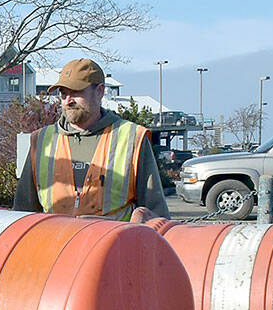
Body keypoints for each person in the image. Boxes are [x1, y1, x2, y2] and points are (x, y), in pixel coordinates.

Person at [13, 58, 169, 220]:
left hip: (113, 244)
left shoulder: (132, 138)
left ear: (100, 91)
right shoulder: (41, 140)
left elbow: (156, 214)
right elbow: (23, 213)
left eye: (76, 92)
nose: (68, 101)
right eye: (63, 94)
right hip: (57, 244)